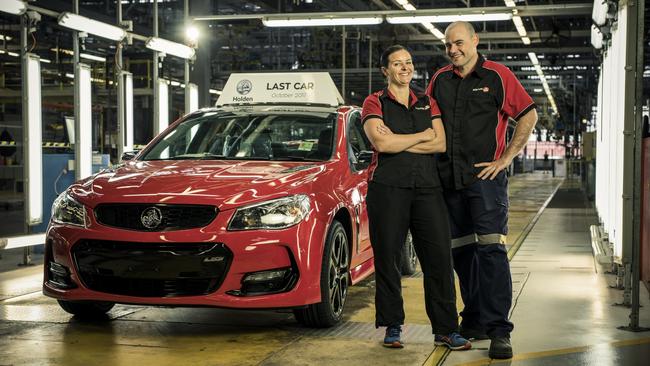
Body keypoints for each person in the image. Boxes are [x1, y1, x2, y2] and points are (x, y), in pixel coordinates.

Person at [425, 22, 538, 359]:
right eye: (448, 45)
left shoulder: (497, 76)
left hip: (485, 182)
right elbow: (428, 124)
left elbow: (528, 115)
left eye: (459, 42)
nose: (453, 50)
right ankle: (473, 319)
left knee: (490, 252)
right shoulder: (440, 80)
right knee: (462, 254)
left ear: (475, 41)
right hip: (449, 182)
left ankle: (498, 330)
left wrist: (505, 159)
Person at [362, 45, 470, 351]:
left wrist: (400, 141)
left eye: (408, 62)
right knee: (388, 258)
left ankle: (447, 329)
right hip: (387, 188)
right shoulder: (374, 102)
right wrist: (421, 136)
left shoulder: (426, 101)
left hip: (427, 188)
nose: (405, 68)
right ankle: (393, 326)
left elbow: (440, 144)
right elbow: (381, 142)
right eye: (397, 63)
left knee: (438, 259)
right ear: (385, 71)